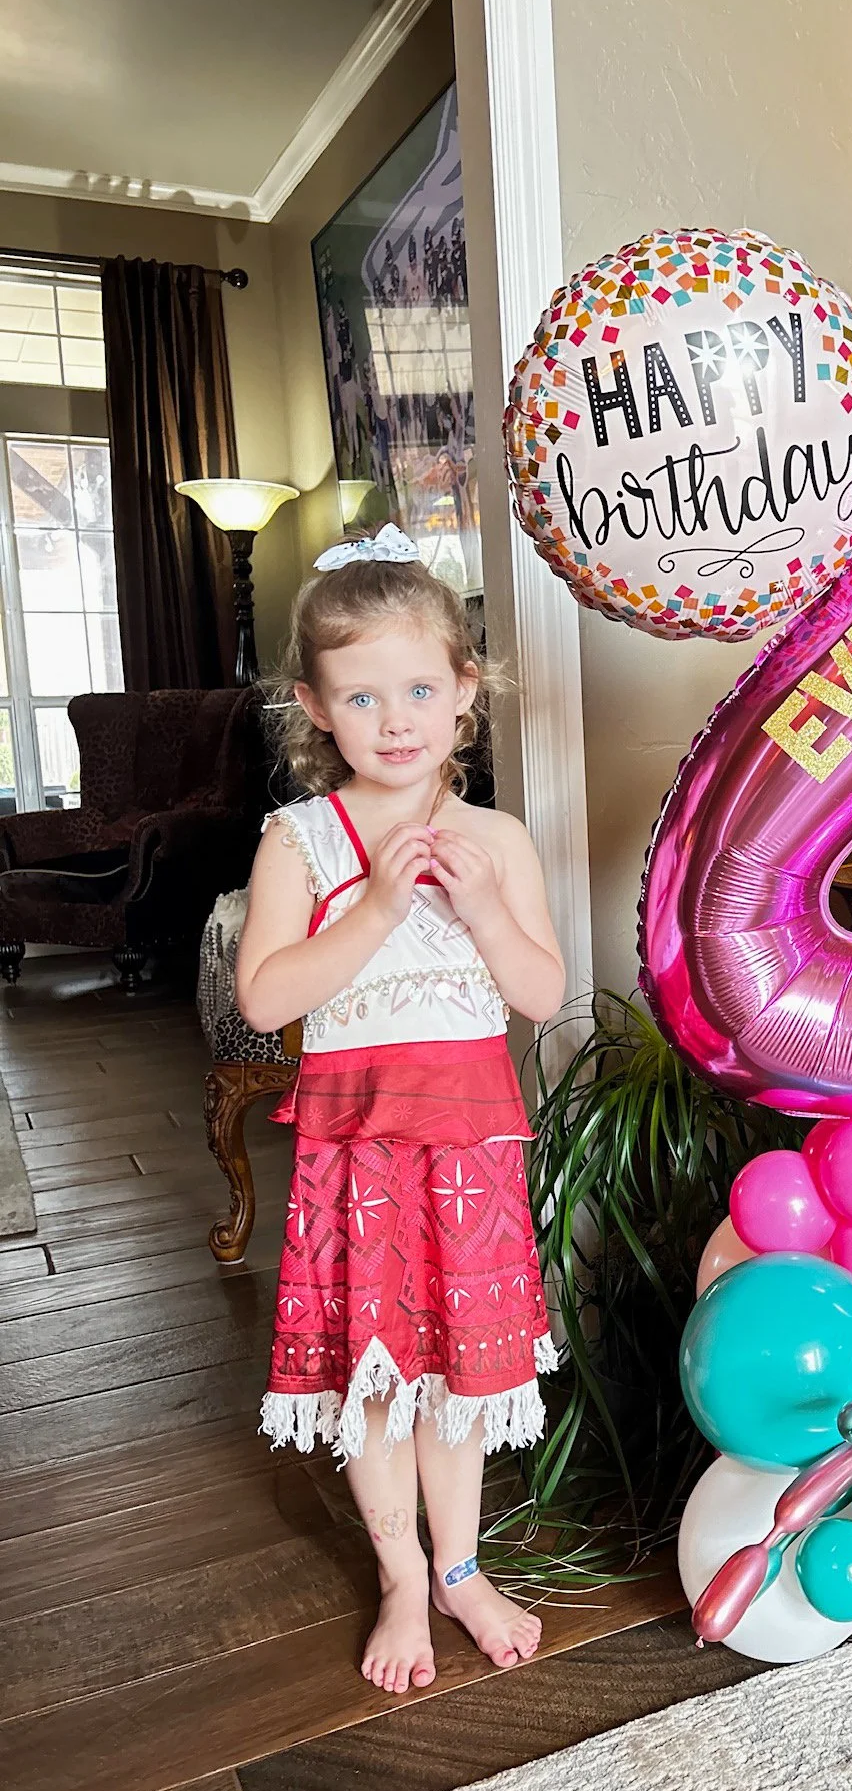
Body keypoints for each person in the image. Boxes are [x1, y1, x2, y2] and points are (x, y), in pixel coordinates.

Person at [236, 525, 566, 1694]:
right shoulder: (302, 839)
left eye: (421, 687)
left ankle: (464, 1563)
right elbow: (265, 993)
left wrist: (479, 912)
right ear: (314, 708)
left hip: (471, 1151)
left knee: (461, 1374)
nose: (396, 718)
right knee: (371, 1375)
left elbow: (542, 991)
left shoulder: (495, 840)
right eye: (362, 695)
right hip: (355, 1151)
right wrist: (371, 908)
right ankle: (401, 1575)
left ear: (465, 691)